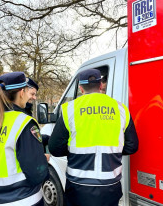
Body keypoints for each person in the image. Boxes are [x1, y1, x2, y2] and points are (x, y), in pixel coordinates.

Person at [48, 69, 139, 206]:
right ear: (101, 85)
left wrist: (73, 150)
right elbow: (132, 146)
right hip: (110, 185)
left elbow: (54, 148)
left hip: (78, 186)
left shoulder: (70, 109)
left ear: (80, 88)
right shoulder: (121, 109)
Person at [0, 72, 49, 206]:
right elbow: (37, 174)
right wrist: (43, 160)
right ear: (22, 92)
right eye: (28, 92)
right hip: (26, 200)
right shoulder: (24, 123)